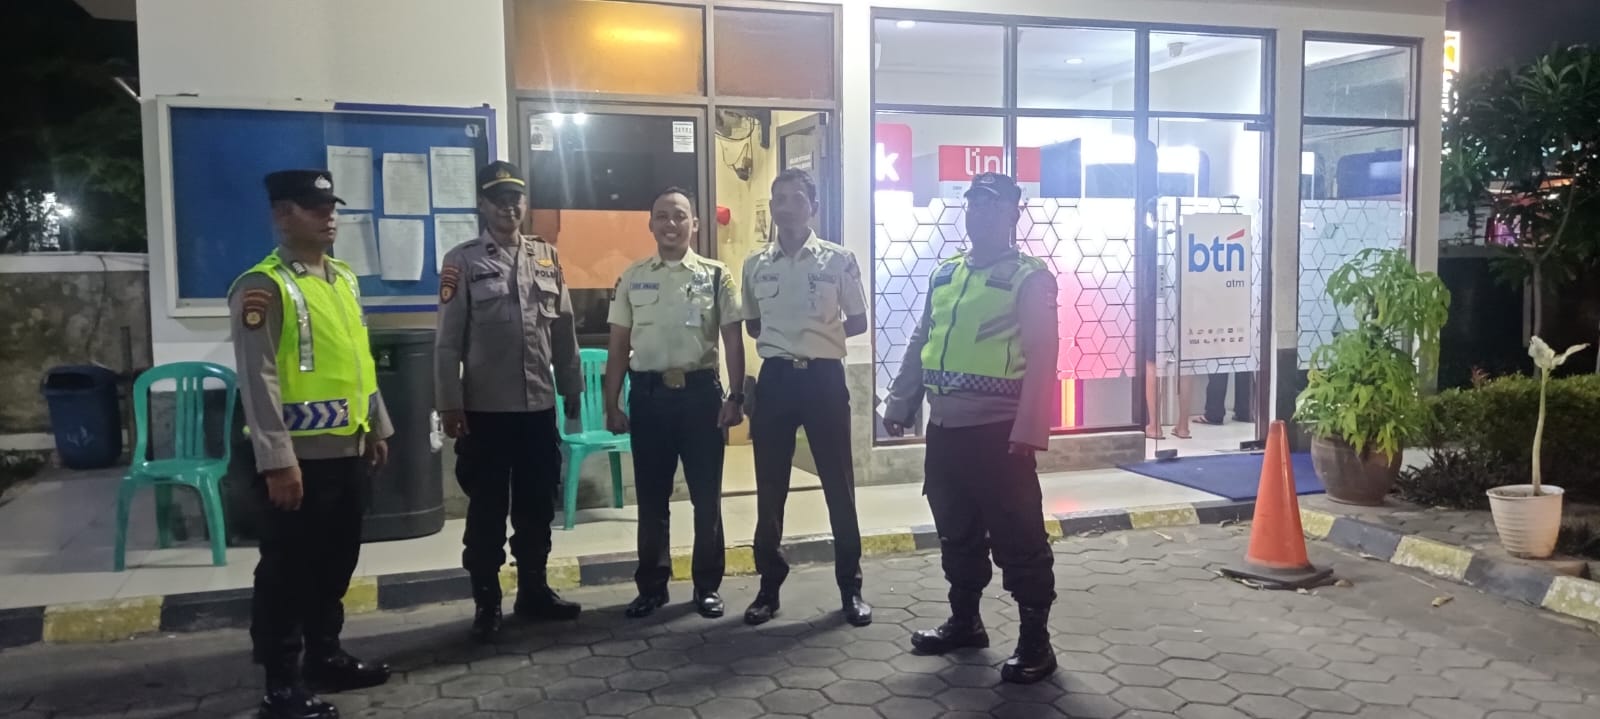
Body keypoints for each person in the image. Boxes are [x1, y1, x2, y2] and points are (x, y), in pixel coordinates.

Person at [881, 172, 1059, 685]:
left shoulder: (1029, 278)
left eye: (992, 205)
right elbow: (922, 339)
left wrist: (1029, 429)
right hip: (945, 429)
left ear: (1012, 214)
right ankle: (966, 622)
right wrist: (901, 401)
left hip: (1000, 434)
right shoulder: (946, 274)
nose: (980, 213)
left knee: (1018, 535)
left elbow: (1044, 354)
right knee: (955, 528)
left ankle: (1036, 642)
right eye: (974, 204)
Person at [230, 169, 394, 719]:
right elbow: (258, 380)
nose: (329, 217)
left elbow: (357, 360)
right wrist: (277, 462)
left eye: (331, 207)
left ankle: (325, 657)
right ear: (282, 214)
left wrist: (375, 425)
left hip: (347, 451)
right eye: (314, 208)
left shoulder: (342, 278)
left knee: (335, 563)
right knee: (287, 572)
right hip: (299, 462)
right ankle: (280, 684)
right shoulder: (263, 286)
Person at [434, 161, 583, 642]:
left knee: (537, 507)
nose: (509, 207)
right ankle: (487, 602)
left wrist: (572, 388)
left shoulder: (546, 257)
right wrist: (449, 404)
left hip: (538, 409)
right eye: (498, 199)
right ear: (482, 205)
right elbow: (447, 343)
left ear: (525, 202)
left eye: (515, 198)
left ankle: (533, 591)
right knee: (487, 512)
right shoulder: (463, 262)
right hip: (485, 413)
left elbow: (564, 330)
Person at [603, 187, 746, 619]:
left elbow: (733, 341)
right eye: (662, 216)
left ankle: (707, 586)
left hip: (701, 397)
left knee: (707, 497)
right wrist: (612, 404)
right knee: (651, 500)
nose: (671, 224)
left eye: (680, 216)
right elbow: (618, 346)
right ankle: (652, 587)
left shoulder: (717, 276)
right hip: (648, 399)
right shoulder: (632, 277)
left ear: (695, 224)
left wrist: (736, 396)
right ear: (650, 224)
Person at [740, 168, 872, 627]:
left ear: (813, 207)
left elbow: (858, 320)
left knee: (839, 484)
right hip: (776, 381)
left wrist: (818, 340)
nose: (786, 207)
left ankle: (851, 588)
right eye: (778, 198)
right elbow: (753, 325)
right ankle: (768, 588)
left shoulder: (838, 260)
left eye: (796, 198)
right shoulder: (755, 265)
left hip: (823, 381)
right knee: (770, 487)